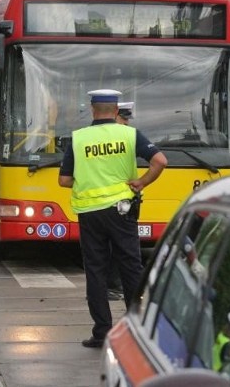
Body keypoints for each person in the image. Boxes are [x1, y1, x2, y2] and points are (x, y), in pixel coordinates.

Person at [59, 89, 167, 348]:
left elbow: (64, 180)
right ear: (116, 111)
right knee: (131, 266)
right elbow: (160, 161)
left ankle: (102, 332)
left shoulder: (79, 138)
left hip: (90, 213)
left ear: (92, 110)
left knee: (95, 271)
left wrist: (87, 179)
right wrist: (141, 182)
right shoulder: (129, 134)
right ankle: (137, 329)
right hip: (122, 210)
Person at [106, 101, 135, 301]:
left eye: (126, 119)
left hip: (121, 203)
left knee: (117, 249)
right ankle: (111, 286)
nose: (125, 123)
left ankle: (114, 286)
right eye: (122, 119)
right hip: (111, 204)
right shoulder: (112, 139)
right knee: (115, 248)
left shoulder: (125, 136)